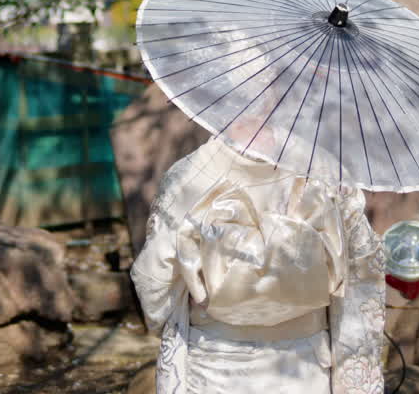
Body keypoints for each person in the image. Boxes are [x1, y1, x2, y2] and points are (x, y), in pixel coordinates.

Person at [130, 135, 386, 394]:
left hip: (216, 366)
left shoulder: (190, 174)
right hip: (303, 368)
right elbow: (360, 278)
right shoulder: (328, 174)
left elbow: (154, 288)